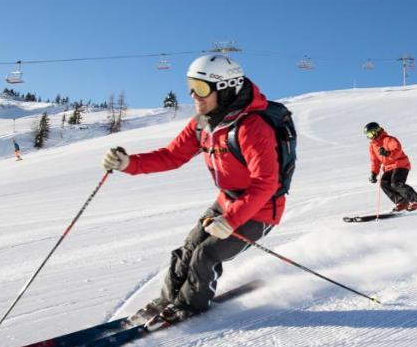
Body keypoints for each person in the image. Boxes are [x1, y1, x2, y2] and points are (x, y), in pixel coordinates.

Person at [101, 53, 284, 328]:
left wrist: (232, 219)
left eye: (201, 89)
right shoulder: (203, 123)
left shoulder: (252, 127)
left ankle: (189, 307)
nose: (194, 96)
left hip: (259, 209)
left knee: (205, 255)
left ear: (225, 88)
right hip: (226, 201)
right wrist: (129, 163)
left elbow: (266, 182)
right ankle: (168, 300)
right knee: (187, 249)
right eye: (191, 86)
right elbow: (172, 156)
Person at [365, 122, 417, 211]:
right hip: (388, 167)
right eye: (368, 135)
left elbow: (398, 150)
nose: (370, 136)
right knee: (384, 183)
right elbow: (375, 161)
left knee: (396, 183)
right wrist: (374, 173)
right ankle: (402, 202)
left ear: (376, 131)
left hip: (400, 164)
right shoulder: (372, 146)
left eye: (371, 133)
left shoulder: (389, 139)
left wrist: (387, 153)